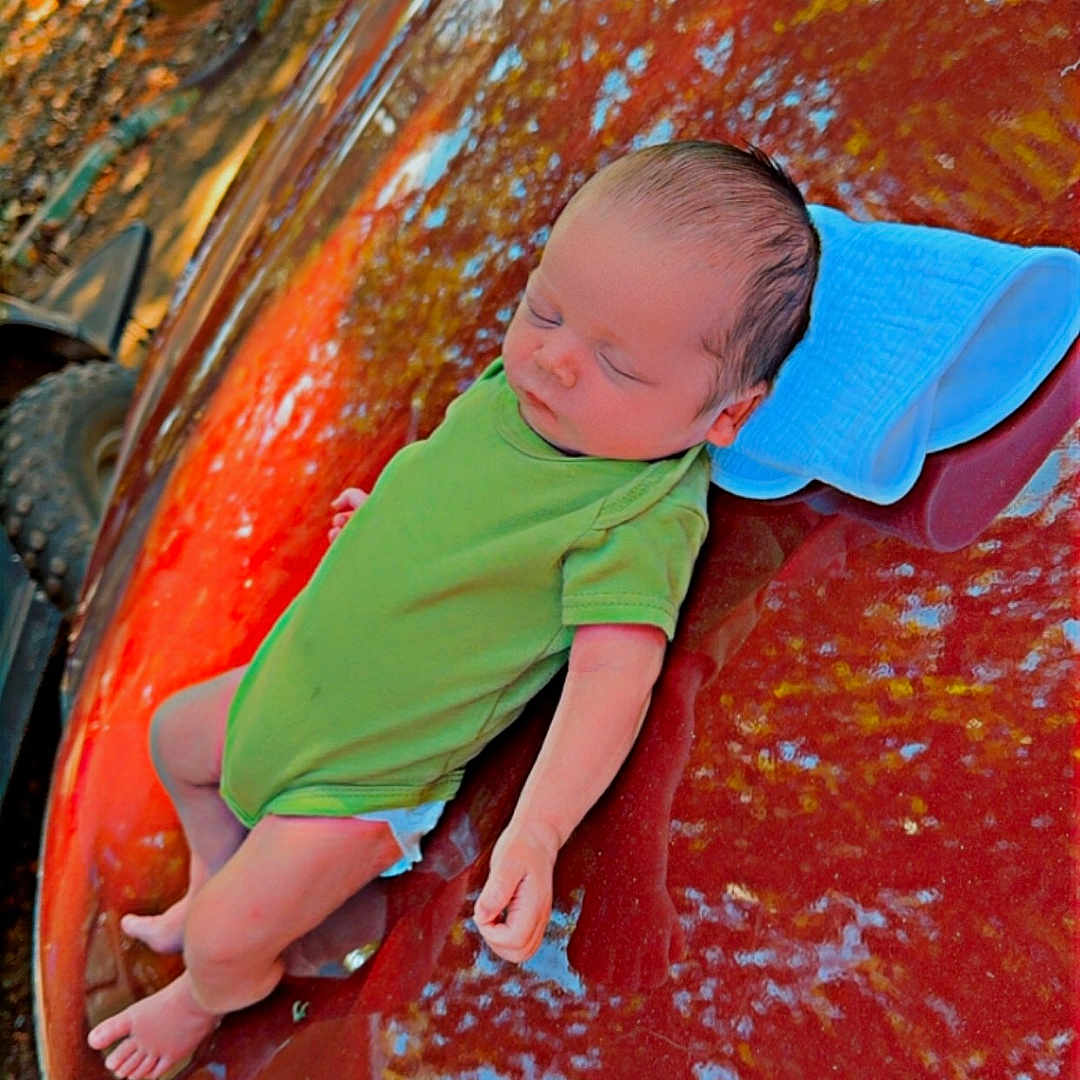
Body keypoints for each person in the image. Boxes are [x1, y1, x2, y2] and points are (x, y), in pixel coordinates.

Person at [87, 139, 819, 1079]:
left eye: (617, 365)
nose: (552, 361)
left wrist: (541, 829)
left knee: (224, 943)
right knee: (176, 742)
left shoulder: (636, 513)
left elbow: (612, 678)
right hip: (297, 684)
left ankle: (206, 995)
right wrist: (387, 517)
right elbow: (450, 474)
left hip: (361, 781)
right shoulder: (524, 395)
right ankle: (211, 876)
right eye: (544, 308)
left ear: (728, 417)